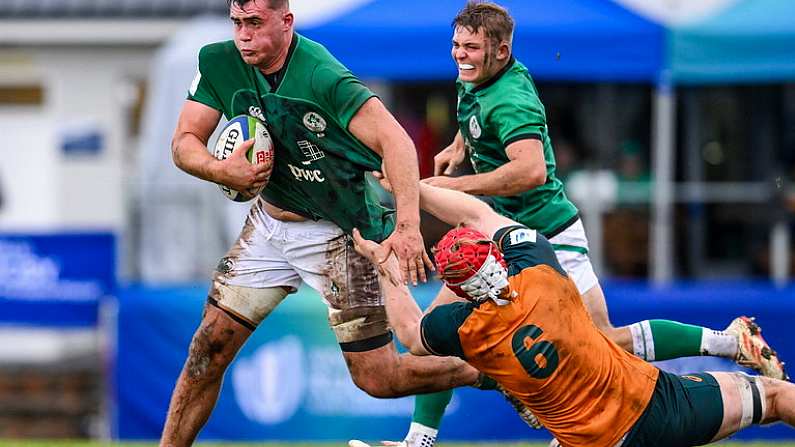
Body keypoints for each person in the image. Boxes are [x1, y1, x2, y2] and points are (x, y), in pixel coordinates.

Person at [395, 2, 788, 444]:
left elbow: (531, 171)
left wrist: (460, 187)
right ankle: (421, 438)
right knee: (439, 331)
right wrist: (459, 144)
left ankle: (728, 342)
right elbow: (477, 119)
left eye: (471, 47)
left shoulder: (512, 99)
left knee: (604, 341)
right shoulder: (477, 76)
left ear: (502, 51)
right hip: (494, 237)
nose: (459, 54)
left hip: (544, 236)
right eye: (456, 45)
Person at [161, 0, 496, 445]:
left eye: (255, 23)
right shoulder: (218, 62)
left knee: (379, 379)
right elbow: (184, 141)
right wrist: (220, 170)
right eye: (237, 22)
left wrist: (409, 227)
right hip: (268, 225)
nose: (243, 34)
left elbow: (395, 140)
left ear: (286, 22)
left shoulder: (320, 73)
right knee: (206, 350)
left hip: (341, 230)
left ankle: (496, 373)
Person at [350, 178, 795, 447]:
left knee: (476, 372)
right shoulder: (539, 268)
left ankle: (428, 434)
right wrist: (410, 188)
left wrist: (384, 266)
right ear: (496, 257)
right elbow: (478, 214)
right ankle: (726, 342)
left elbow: (409, 333)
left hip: (595, 440)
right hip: (657, 405)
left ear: (457, 290)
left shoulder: (467, 329)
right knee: (774, 397)